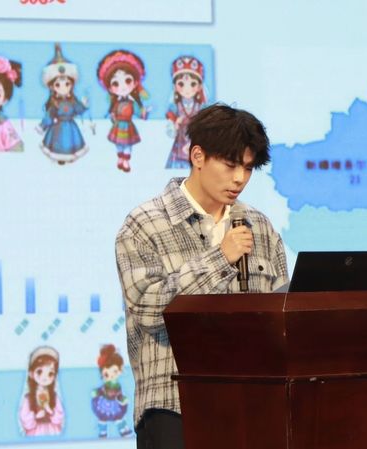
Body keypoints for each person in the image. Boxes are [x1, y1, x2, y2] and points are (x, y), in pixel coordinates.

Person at [115, 104, 289, 449]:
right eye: (231, 165)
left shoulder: (259, 226)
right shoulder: (145, 224)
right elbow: (150, 310)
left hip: (254, 404)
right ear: (198, 156)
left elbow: (280, 313)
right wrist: (221, 258)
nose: (240, 179)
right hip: (174, 407)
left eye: (248, 168)